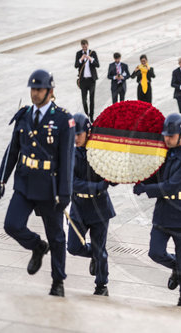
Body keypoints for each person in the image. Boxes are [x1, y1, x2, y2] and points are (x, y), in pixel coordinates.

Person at [0, 69, 75, 296]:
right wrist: (1, 180)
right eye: (33, 89)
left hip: (50, 187)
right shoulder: (24, 116)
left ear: (50, 91)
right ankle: (37, 246)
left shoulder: (63, 120)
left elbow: (67, 159)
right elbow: (13, 150)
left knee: (57, 237)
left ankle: (58, 281)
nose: (35, 94)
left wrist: (65, 193)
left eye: (39, 90)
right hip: (25, 181)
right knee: (12, 225)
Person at [133, 113, 181, 308]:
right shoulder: (162, 154)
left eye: (170, 136)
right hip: (163, 212)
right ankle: (177, 268)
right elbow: (155, 176)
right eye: (165, 136)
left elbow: (171, 185)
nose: (167, 139)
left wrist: (147, 189)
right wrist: (140, 179)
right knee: (155, 252)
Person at [67, 113, 115, 296]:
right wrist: (98, 186)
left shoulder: (100, 151)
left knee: (100, 249)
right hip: (78, 206)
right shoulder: (70, 153)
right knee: (73, 247)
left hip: (99, 207)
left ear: (88, 132)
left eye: (78, 134)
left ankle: (101, 285)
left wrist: (116, 176)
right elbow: (72, 182)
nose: (75, 138)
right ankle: (94, 255)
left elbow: (112, 176)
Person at [75, 39, 99, 122]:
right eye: (83, 46)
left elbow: (97, 65)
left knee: (92, 99)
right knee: (84, 99)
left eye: (85, 46)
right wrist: (81, 59)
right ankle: (86, 114)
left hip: (92, 80)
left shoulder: (93, 53)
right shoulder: (78, 54)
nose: (84, 47)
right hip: (83, 81)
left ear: (88, 45)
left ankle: (91, 116)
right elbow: (76, 65)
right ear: (81, 46)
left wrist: (90, 58)